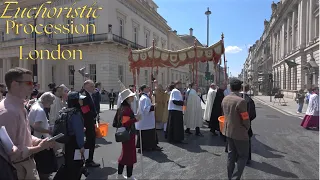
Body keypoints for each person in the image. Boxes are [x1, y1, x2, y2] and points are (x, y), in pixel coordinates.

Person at [0, 67, 53, 180]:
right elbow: (11, 152)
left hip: (27, 165)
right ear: (14, 84)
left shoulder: (20, 106)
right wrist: (39, 148)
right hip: (17, 169)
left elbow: (24, 135)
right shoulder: (7, 112)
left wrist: (38, 141)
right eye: (28, 83)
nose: (32, 86)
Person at [221, 78, 250, 180]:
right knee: (243, 156)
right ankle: (235, 178)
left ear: (231, 88)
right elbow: (245, 118)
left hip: (228, 131)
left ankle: (230, 176)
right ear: (239, 88)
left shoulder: (225, 99)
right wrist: (247, 127)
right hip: (239, 133)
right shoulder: (241, 101)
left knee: (231, 155)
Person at [28, 92, 57, 179]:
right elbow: (37, 127)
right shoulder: (40, 111)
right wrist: (49, 131)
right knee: (45, 166)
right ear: (47, 101)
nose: (52, 104)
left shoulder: (35, 105)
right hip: (42, 139)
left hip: (35, 137)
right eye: (51, 102)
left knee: (39, 164)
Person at [116, 89, 139, 180]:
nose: (133, 97)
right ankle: (129, 176)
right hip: (128, 134)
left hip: (126, 134)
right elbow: (125, 123)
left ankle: (120, 175)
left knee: (125, 154)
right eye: (131, 96)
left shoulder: (124, 108)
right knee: (129, 155)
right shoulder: (126, 109)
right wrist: (136, 119)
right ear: (127, 98)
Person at [64, 91, 87, 180]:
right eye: (80, 99)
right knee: (77, 166)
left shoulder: (66, 110)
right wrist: (81, 146)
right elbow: (78, 132)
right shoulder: (76, 113)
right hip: (75, 142)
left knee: (69, 164)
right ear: (75, 101)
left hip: (68, 141)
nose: (81, 101)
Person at [135, 85, 162, 151]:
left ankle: (149, 146)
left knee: (148, 132)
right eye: (147, 88)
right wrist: (154, 106)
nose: (148, 89)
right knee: (148, 133)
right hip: (146, 120)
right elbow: (146, 109)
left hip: (147, 120)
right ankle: (149, 146)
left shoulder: (145, 97)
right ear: (144, 89)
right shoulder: (144, 98)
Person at [80, 80, 100, 167]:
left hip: (90, 120)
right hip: (87, 122)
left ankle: (87, 158)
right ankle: (88, 160)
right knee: (90, 141)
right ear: (86, 86)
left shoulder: (89, 94)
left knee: (90, 141)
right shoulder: (83, 95)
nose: (93, 88)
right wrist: (93, 115)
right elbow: (85, 110)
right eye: (91, 86)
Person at [240, 84, 256, 164]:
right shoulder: (249, 100)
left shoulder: (234, 98)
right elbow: (252, 115)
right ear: (248, 89)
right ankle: (246, 158)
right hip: (246, 125)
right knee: (246, 142)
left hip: (234, 125)